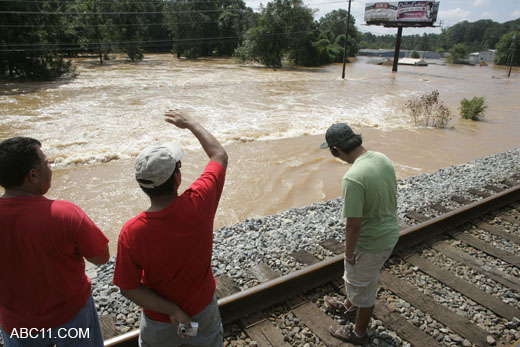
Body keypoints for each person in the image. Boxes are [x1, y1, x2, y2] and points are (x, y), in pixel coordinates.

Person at [113, 110, 228, 347]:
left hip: (159, 321)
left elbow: (129, 288)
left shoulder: (132, 232)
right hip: (202, 310)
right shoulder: (199, 203)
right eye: (179, 166)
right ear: (176, 178)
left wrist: (172, 310)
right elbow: (218, 154)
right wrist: (190, 123)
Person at [0, 137, 110, 347]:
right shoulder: (64, 214)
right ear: (33, 175)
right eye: (47, 164)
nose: (50, 168)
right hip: (72, 320)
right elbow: (101, 257)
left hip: (19, 326)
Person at [320, 124, 399, 345]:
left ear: (335, 149)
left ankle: (359, 332)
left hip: (371, 243)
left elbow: (353, 226)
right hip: (390, 232)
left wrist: (348, 254)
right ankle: (348, 305)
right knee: (360, 280)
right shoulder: (381, 158)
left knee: (364, 289)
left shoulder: (352, 177)